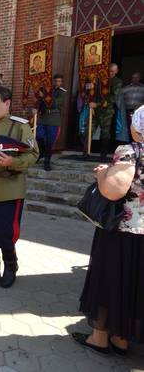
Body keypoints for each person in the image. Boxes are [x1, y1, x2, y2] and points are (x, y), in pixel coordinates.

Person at [71, 104, 144, 355]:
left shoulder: (130, 151)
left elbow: (113, 190)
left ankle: (100, 337)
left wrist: (102, 175)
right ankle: (122, 339)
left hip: (122, 231)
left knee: (109, 279)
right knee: (132, 284)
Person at [0, 86, 39, 288]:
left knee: (4, 232)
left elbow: (33, 154)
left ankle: (11, 267)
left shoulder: (20, 126)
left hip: (9, 189)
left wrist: (12, 161)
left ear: (7, 103)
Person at [89, 63, 122, 162]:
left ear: (116, 71)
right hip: (94, 110)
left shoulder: (117, 82)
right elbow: (88, 89)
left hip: (106, 111)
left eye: (112, 71)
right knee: (88, 130)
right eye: (109, 71)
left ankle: (103, 154)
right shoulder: (99, 80)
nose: (110, 73)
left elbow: (113, 98)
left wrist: (97, 104)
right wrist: (89, 87)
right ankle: (85, 152)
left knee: (105, 133)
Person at [34, 74, 66, 171]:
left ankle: (47, 161)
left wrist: (44, 96)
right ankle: (42, 152)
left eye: (59, 81)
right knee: (39, 136)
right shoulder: (46, 90)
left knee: (50, 142)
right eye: (56, 81)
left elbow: (55, 104)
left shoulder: (61, 93)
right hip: (43, 117)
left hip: (53, 118)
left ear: (61, 82)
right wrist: (35, 108)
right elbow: (38, 101)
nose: (57, 83)